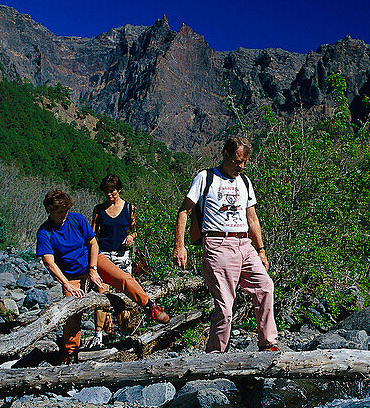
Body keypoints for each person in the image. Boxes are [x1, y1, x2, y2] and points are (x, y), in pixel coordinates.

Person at [172, 136, 278, 352]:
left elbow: (253, 219)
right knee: (226, 306)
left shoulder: (245, 182)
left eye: (245, 162)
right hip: (217, 243)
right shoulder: (205, 177)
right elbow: (184, 211)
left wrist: (261, 250)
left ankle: (267, 344)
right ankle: (215, 355)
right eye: (238, 161)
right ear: (225, 155)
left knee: (265, 286)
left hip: (244, 243)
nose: (241, 166)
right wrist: (179, 246)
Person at [37, 189, 168, 363]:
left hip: (93, 260)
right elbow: (49, 263)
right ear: (50, 211)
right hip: (71, 274)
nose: (64, 215)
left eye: (66, 211)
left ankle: (150, 306)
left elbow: (93, 243)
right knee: (72, 313)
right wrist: (67, 285)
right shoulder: (45, 232)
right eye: (60, 212)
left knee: (123, 278)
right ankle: (70, 353)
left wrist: (93, 269)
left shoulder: (76, 219)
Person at [88, 173, 139, 348]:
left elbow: (134, 230)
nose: (110, 194)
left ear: (118, 189)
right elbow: (92, 234)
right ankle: (98, 335)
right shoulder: (99, 209)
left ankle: (123, 334)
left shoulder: (129, 208)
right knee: (102, 294)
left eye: (113, 190)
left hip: (122, 255)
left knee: (123, 295)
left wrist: (131, 237)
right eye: (107, 191)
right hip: (103, 255)